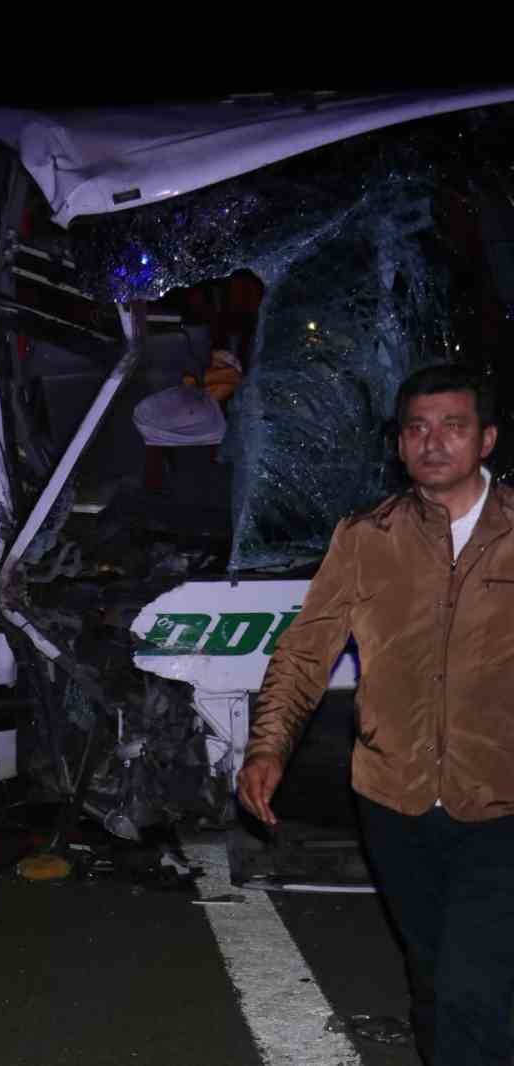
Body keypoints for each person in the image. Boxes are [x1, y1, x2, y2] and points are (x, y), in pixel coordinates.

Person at [238, 362, 514, 1066]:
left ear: (486, 440)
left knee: (470, 987)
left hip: (503, 801)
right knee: (432, 978)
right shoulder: (366, 538)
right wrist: (267, 748)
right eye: (417, 428)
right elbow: (306, 651)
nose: (432, 443)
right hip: (394, 799)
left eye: (452, 427)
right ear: (399, 445)